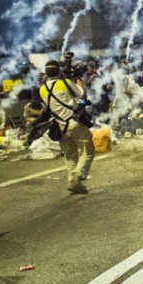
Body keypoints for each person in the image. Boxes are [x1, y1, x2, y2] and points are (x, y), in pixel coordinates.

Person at [41, 59, 95, 194]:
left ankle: (73, 183)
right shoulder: (65, 83)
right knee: (87, 151)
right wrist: (80, 83)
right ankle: (77, 177)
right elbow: (82, 96)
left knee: (70, 156)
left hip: (58, 126)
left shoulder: (42, 88)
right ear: (58, 71)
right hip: (73, 123)